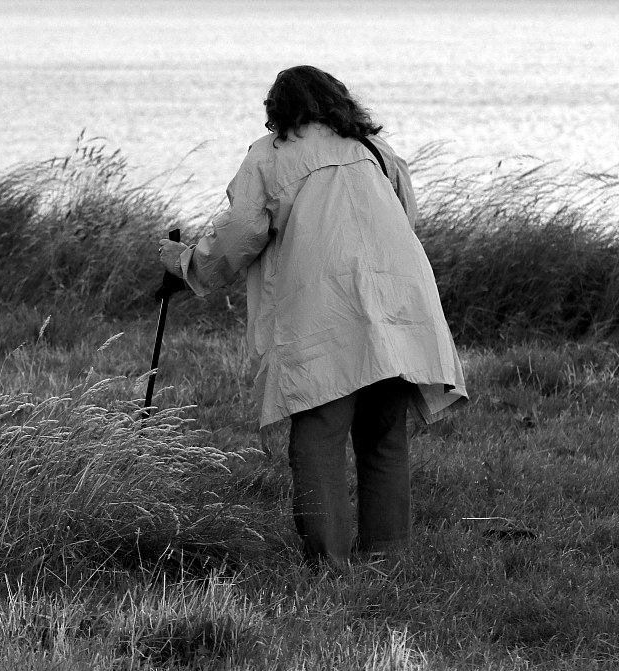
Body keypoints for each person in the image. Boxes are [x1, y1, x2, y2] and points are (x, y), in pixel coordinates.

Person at [158, 65, 467, 570]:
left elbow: (238, 236)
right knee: (384, 435)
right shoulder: (376, 152)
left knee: (318, 439)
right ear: (339, 102)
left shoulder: (271, 155)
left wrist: (183, 262)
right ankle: (386, 560)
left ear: (276, 111)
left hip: (326, 313)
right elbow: (405, 218)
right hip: (398, 305)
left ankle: (332, 567)